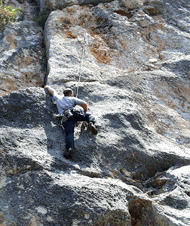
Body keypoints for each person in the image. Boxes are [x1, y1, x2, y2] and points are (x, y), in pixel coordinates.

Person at [44, 85, 97, 159]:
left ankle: (70, 148)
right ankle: (91, 122)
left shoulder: (58, 98)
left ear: (64, 94)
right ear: (70, 94)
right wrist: (85, 112)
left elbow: (53, 92)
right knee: (90, 116)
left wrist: (47, 87)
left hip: (66, 117)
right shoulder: (72, 98)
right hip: (75, 112)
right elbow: (84, 104)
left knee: (69, 133)